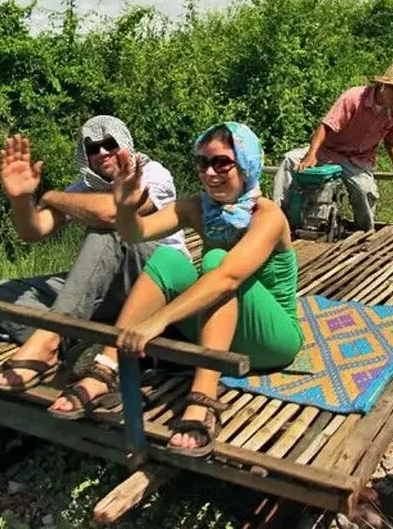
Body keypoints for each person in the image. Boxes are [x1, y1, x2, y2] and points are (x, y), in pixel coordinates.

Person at [49, 122, 303, 459]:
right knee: (168, 258)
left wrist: (159, 320)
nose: (210, 173)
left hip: (272, 342)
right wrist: (125, 206)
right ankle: (106, 366)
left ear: (247, 164)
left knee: (215, 261)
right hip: (219, 332)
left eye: (221, 162)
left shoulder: (267, 215)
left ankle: (203, 396)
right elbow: (136, 233)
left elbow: (227, 277)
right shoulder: (198, 207)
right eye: (203, 163)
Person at [0, 116, 188, 392]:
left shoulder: (151, 172)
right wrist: (20, 201)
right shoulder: (84, 187)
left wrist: (51, 196)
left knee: (110, 230)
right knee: (5, 293)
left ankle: (52, 335)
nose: (102, 152)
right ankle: (82, 347)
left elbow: (112, 214)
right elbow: (34, 230)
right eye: (92, 148)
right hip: (112, 288)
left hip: (158, 280)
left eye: (109, 144)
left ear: (124, 143)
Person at [271, 59, 393, 232]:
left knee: (365, 190)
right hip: (329, 150)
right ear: (383, 85)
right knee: (290, 160)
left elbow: (392, 140)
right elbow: (326, 125)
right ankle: (276, 220)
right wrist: (311, 155)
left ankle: (365, 232)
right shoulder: (354, 97)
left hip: (358, 159)